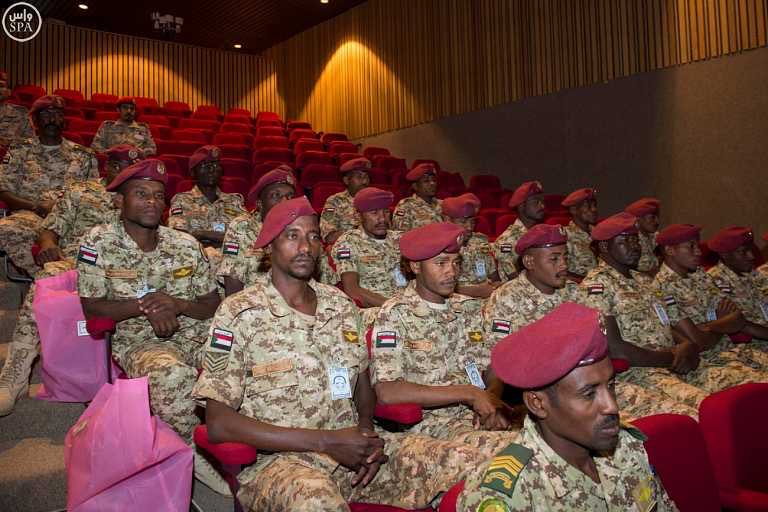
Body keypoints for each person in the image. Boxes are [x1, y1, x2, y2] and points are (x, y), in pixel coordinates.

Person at [193, 197, 483, 511]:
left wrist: (366, 433)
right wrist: (327, 442)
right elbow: (219, 423)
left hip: (352, 453)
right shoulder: (238, 312)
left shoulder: (340, 305)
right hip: (281, 465)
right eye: (292, 236)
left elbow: (362, 384)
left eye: (313, 236)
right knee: (318, 501)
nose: (305, 247)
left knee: (469, 463)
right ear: (269, 247)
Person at [76, 158, 226, 493]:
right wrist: (146, 305)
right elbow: (92, 307)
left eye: (158, 195)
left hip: (197, 334)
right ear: (121, 200)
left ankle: (239, 438)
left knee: (247, 359)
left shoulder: (184, 244)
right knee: (173, 376)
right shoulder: (98, 242)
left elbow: (211, 304)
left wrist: (177, 304)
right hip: (140, 342)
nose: (152, 202)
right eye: (141, 194)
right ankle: (196, 450)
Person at [457, 303, 679, 512]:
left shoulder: (626, 446)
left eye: (610, 385)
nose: (612, 406)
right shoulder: (510, 494)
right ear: (537, 404)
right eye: (589, 394)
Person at [0, 144, 140, 416]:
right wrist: (48, 244)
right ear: (109, 167)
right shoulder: (80, 191)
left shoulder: (141, 196)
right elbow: (49, 228)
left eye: (132, 168)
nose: (127, 173)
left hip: (122, 269)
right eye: (121, 166)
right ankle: (15, 374)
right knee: (46, 278)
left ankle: (122, 374)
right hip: (77, 261)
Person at [371, 222, 519, 459]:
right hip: (425, 429)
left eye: (456, 263)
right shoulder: (395, 313)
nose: (451, 272)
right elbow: (388, 391)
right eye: (441, 263)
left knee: (528, 452)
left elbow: (492, 367)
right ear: (415, 266)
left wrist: (490, 399)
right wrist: (469, 393)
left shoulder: (468, 308)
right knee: (493, 459)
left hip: (473, 421)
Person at [581, 213, 721, 418]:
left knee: (728, 399)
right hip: (638, 375)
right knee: (700, 414)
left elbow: (664, 325)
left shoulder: (643, 280)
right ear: (604, 247)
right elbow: (615, 348)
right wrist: (671, 357)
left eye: (635, 240)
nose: (634, 246)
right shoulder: (597, 286)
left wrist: (687, 345)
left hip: (676, 364)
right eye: (625, 241)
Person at [0, 95, 99, 275]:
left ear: (64, 120)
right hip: (30, 214)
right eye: (45, 115)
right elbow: (4, 191)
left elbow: (92, 196)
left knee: (96, 238)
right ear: (35, 120)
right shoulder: (19, 150)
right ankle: (44, 277)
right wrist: (37, 206)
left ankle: (66, 278)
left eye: (57, 114)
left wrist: (63, 209)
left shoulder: (84, 155)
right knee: (5, 229)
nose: (52, 119)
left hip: (70, 219)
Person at [652, 224, 768, 369]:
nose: (699, 252)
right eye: (691, 246)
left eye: (698, 245)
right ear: (670, 250)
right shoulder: (662, 288)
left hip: (734, 353)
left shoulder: (699, 275)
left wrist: (706, 326)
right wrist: (722, 325)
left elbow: (737, 318)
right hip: (707, 363)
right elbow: (699, 341)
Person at [484, 224, 585, 341]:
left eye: (565, 258)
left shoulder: (573, 291)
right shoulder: (506, 298)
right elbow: (500, 348)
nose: (564, 265)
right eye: (554, 259)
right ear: (529, 262)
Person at [216, 165, 296, 296]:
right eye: (276, 195)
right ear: (260, 203)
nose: (285, 201)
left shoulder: (301, 227)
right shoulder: (243, 226)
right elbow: (232, 281)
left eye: (290, 196)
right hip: (254, 304)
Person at [168, 145, 246, 269]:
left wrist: (201, 234)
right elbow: (177, 236)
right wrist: (224, 238)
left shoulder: (234, 201)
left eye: (215, 164)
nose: (212, 169)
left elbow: (246, 235)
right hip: (196, 265)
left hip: (231, 266)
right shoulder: (182, 200)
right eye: (205, 165)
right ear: (193, 172)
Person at [333, 187, 406, 309]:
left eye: (386, 212)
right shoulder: (348, 242)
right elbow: (352, 290)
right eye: (374, 213)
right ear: (359, 216)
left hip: (408, 303)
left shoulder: (399, 238)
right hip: (376, 310)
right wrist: (393, 306)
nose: (382, 219)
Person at [706, 226, 768, 342]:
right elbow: (738, 324)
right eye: (743, 252)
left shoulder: (754, 274)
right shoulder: (713, 281)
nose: (751, 256)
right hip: (751, 345)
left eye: (751, 250)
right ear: (724, 254)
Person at [442, 193, 500, 298]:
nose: (469, 227)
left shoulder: (479, 242)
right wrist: (472, 291)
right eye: (463, 221)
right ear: (447, 220)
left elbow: (494, 277)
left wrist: (497, 286)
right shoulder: (439, 248)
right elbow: (433, 288)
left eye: (472, 222)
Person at [493, 181, 545, 281]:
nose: (542, 206)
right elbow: (513, 276)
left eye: (542, 202)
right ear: (521, 207)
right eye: (536, 202)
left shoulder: (543, 234)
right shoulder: (507, 239)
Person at [320, 157, 371, 244]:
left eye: (366, 177)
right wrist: (361, 233)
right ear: (346, 180)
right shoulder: (334, 201)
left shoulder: (375, 200)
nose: (364, 181)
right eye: (359, 177)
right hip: (348, 247)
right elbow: (329, 236)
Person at [91, 97, 156, 155]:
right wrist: (109, 152)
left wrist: (141, 152)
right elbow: (95, 145)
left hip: (136, 161)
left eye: (132, 108)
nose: (129, 111)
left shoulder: (143, 128)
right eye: (125, 108)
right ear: (118, 110)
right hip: (113, 161)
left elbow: (152, 148)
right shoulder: (107, 126)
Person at [391, 163, 442, 231]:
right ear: (415, 186)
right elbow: (399, 233)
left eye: (434, 180)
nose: (432, 183)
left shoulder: (443, 204)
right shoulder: (405, 206)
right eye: (426, 181)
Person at [562, 187, 598, 278]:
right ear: (573, 210)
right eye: (588, 206)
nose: (594, 209)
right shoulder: (565, 236)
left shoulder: (600, 234)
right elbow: (562, 271)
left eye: (595, 205)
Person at [624, 197, 661, 274]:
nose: (657, 221)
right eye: (652, 217)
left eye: (658, 217)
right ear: (638, 219)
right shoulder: (629, 241)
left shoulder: (657, 237)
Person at [0, 71, 33, 146]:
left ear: (8, 91)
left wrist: (9, 143)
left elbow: (31, 141)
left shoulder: (21, 112)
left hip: (12, 152)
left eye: (1, 86)